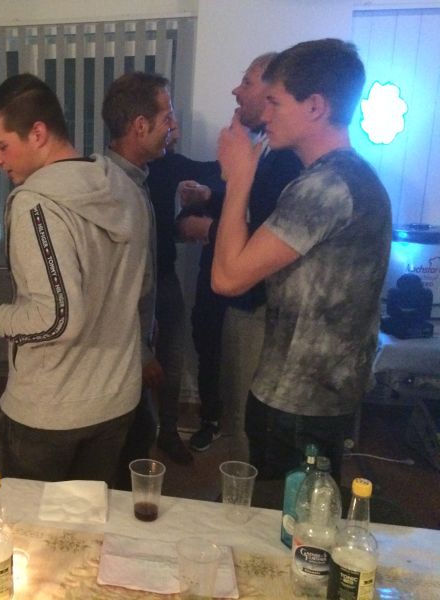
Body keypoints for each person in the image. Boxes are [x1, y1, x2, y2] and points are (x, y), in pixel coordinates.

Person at [212, 39, 391, 483]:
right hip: (321, 396)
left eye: (275, 102)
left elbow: (228, 278)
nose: (265, 114)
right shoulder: (351, 176)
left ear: (315, 106)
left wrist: (239, 178)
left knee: (287, 517)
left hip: (297, 402)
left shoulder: (325, 186)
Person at [0, 74, 151, 484]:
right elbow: (143, 284)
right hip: (117, 398)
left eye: (1, 145)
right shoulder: (124, 187)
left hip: (51, 409)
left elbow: (57, 318)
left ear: (38, 133)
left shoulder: (36, 204)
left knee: (32, 522)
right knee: (92, 517)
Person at [176, 53, 302, 453]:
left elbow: (264, 230)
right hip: (239, 299)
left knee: (249, 419)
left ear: (272, 92)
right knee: (235, 406)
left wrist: (206, 228)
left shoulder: (289, 160)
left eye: (247, 82)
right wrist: (211, 195)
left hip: (257, 301)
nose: (236, 90)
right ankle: (229, 456)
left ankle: (243, 481)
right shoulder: (264, 147)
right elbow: (250, 209)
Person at [100, 71, 175, 482]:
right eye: (167, 118)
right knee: (128, 446)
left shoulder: (135, 179)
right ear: (140, 126)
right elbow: (112, 285)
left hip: (134, 345)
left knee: (138, 433)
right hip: (122, 355)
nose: (173, 127)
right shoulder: (112, 189)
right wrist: (142, 354)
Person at [147, 138, 224, 465]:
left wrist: (204, 195)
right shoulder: (113, 173)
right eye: (167, 119)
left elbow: (217, 173)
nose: (173, 128)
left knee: (173, 359)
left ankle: (167, 432)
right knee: (130, 360)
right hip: (127, 283)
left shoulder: (170, 164)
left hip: (165, 277)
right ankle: (134, 435)